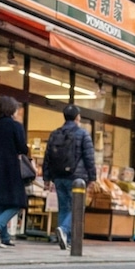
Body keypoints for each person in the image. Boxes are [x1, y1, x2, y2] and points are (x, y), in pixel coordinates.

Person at [42, 104, 97, 249]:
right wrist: (92, 178)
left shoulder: (55, 134)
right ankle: (64, 230)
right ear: (78, 117)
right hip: (77, 178)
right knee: (76, 208)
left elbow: (47, 156)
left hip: (58, 176)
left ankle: (66, 239)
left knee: (64, 207)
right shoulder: (83, 134)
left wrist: (46, 178)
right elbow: (89, 157)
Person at [0, 96, 30, 248]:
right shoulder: (15, 126)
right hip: (10, 167)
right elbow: (22, 148)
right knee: (17, 202)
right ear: (12, 109)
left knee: (2, 201)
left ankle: (4, 237)